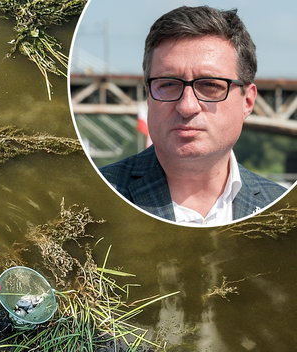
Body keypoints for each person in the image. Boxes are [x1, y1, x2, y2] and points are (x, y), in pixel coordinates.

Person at [99, 6, 286, 225]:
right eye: (168, 84)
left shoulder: (283, 207)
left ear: (247, 101)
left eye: (210, 85)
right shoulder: (92, 194)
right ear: (148, 94)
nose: (187, 106)